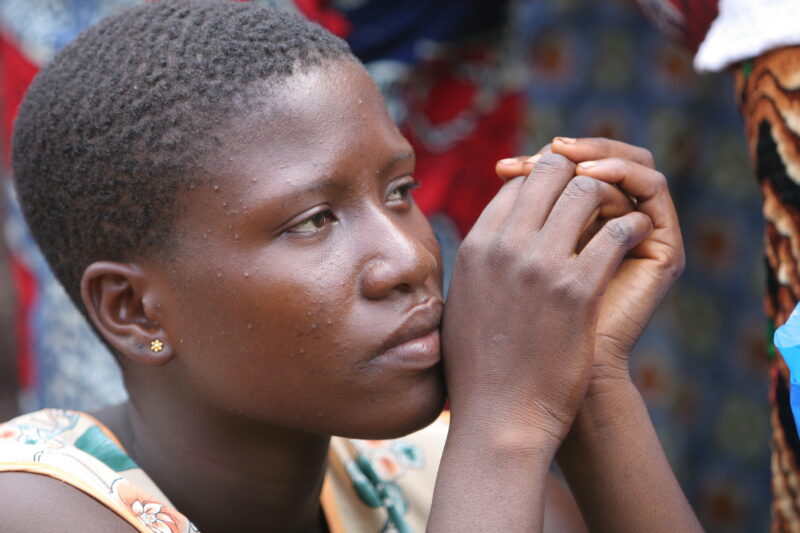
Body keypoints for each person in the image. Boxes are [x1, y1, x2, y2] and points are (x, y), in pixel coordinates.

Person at [0, 1, 700, 531]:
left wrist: (590, 375)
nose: (409, 259)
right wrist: (506, 424)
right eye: (314, 221)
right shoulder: (30, 505)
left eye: (399, 193)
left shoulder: (422, 468)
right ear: (133, 308)